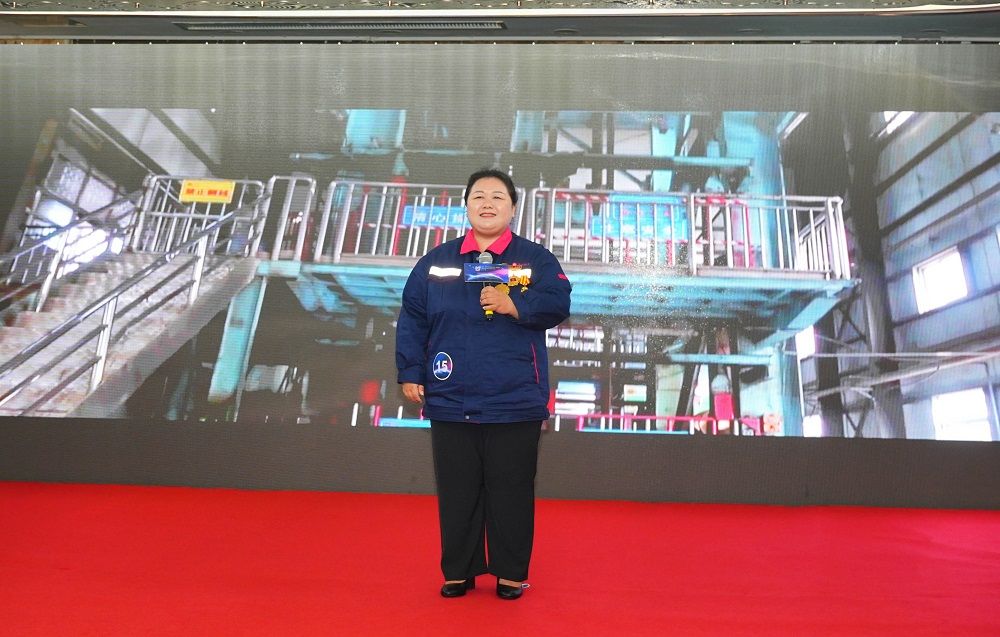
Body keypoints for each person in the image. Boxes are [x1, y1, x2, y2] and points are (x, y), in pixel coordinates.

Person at [396, 168, 572, 600]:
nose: (487, 203)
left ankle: (510, 573)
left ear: (512, 208)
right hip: (450, 395)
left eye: (497, 196)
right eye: (478, 196)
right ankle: (459, 570)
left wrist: (515, 304)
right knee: (457, 488)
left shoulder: (535, 259)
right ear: (466, 206)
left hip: (514, 396)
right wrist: (411, 371)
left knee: (511, 488)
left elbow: (558, 301)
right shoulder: (437, 261)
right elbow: (413, 317)